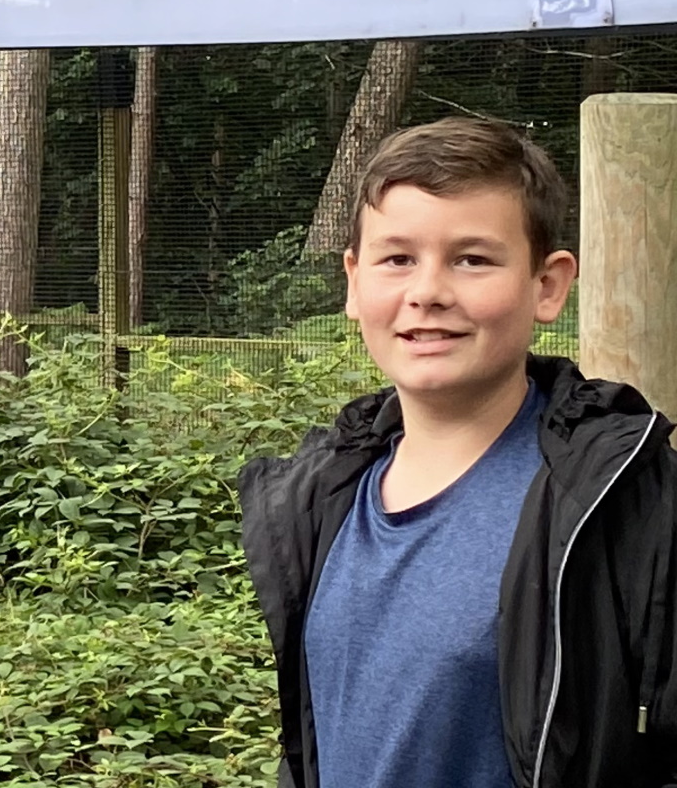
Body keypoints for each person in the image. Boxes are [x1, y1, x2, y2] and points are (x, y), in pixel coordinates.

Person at [239, 117, 677, 788]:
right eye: (397, 259)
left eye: (473, 258)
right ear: (354, 283)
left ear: (548, 285)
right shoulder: (317, 500)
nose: (428, 292)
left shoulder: (629, 503)